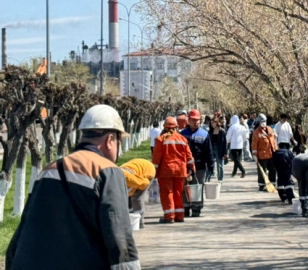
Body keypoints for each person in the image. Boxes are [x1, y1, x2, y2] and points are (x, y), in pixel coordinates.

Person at [6, 104, 140, 270]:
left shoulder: (47, 170)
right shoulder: (107, 170)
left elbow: (24, 227)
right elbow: (119, 237)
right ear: (110, 140)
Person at [152, 117, 195, 223]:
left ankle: (169, 216)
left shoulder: (161, 139)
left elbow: (156, 158)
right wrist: (192, 167)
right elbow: (189, 156)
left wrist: (153, 172)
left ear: (165, 127)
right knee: (178, 193)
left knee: (167, 193)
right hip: (180, 171)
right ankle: (180, 216)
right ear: (176, 127)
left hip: (165, 171)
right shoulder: (182, 139)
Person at [180, 109, 214, 216]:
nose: (196, 122)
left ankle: (196, 208)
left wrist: (211, 165)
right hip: (184, 167)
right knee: (184, 187)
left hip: (199, 166)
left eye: (198, 120)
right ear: (188, 120)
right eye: (194, 120)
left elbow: (209, 151)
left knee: (197, 187)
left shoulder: (204, 134)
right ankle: (185, 207)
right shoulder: (182, 134)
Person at [120, 158, 156, 229]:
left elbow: (145, 183)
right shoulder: (112, 178)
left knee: (136, 198)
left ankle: (139, 222)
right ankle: (129, 219)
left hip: (147, 172)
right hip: (136, 167)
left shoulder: (130, 179)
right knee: (127, 198)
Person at [251, 114, 278, 191]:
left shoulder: (269, 129)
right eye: (262, 121)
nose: (264, 122)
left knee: (273, 170)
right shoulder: (256, 132)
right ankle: (262, 185)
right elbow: (254, 144)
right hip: (262, 155)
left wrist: (276, 150)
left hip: (271, 154)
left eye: (265, 121)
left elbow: (273, 141)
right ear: (259, 122)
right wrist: (255, 155)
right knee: (261, 170)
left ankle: (272, 183)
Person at [208, 117, 227, 182]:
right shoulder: (210, 131)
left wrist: (225, 152)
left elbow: (225, 142)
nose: (212, 124)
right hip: (212, 149)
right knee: (210, 164)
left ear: (217, 123)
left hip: (219, 149)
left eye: (213, 122)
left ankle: (220, 179)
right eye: (211, 123)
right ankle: (208, 179)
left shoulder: (222, 131)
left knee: (220, 165)